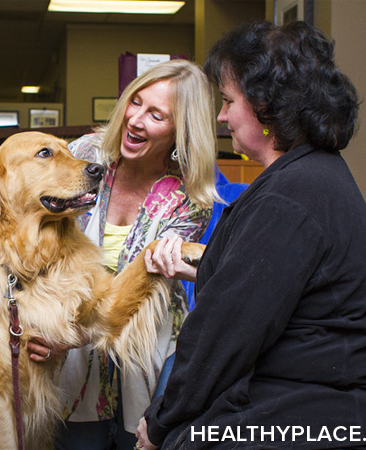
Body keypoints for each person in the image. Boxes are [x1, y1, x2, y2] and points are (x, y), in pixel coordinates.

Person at [136, 21, 366, 450]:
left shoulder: (290, 196)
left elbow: (222, 336)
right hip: (336, 401)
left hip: (325, 413)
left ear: (266, 105)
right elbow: (269, 280)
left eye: (229, 101)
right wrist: (201, 268)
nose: (221, 115)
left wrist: (157, 425)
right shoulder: (314, 174)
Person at [33, 59, 218, 450]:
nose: (135, 120)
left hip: (145, 342)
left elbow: (135, 293)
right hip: (70, 348)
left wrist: (67, 337)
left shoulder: (188, 199)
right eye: (135, 102)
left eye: (156, 115)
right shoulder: (85, 154)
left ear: (180, 130)